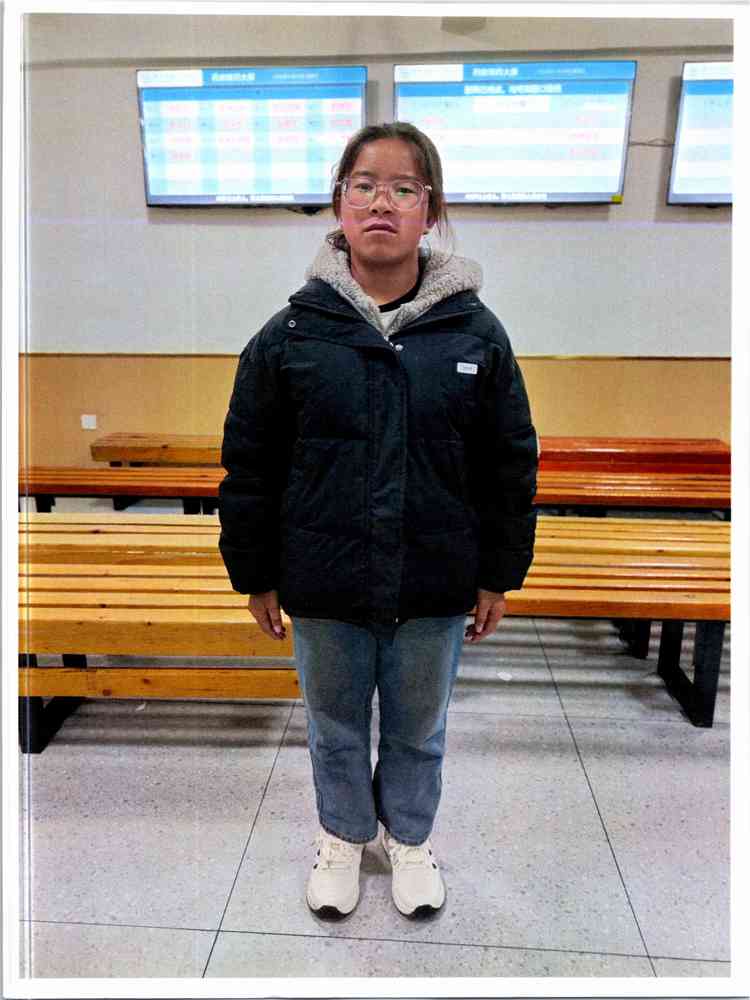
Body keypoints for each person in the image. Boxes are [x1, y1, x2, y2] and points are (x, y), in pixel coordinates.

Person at [218, 122, 538, 920]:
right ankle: (342, 835)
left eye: (403, 188)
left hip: (434, 581)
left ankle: (409, 838)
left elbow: (509, 464)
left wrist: (499, 574)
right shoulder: (292, 334)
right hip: (324, 579)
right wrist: (254, 573)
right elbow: (250, 463)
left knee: (417, 729)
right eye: (364, 185)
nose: (381, 202)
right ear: (340, 203)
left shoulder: (476, 334)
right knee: (333, 727)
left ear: (430, 211)